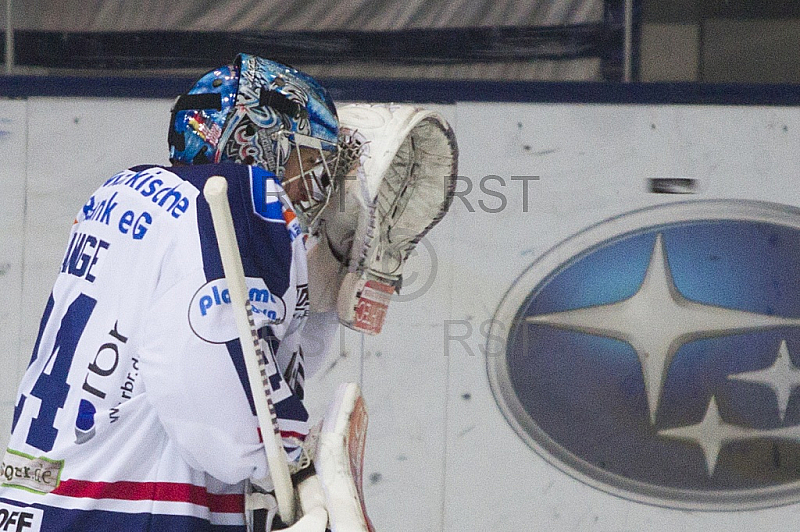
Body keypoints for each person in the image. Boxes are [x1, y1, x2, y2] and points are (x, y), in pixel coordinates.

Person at [0, 54, 346, 531]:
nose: (315, 189)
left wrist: (323, 295)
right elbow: (208, 382)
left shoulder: (124, 192)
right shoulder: (241, 200)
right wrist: (286, 463)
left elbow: (239, 353)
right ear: (250, 142)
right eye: (308, 161)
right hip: (115, 514)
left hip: (39, 501)